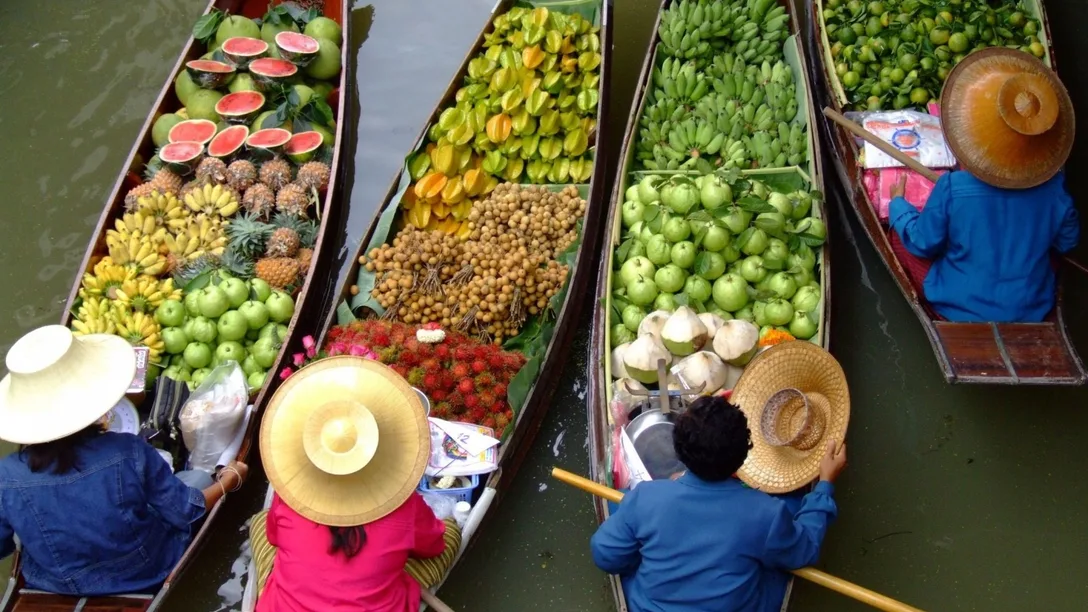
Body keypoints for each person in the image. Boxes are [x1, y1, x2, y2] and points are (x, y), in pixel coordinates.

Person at [592, 341, 849, 612]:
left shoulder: (646, 498)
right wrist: (824, 486)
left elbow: (605, 556)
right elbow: (805, 550)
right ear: (743, 457)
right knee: (792, 515)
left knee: (620, 507)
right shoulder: (765, 513)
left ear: (679, 452)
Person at [0, 325, 249, 596]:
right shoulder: (127, 451)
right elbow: (184, 511)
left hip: (53, 585)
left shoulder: (6, 474)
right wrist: (228, 481)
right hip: (144, 573)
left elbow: (3, 545)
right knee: (199, 478)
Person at [253, 355, 460, 612]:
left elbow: (273, 537)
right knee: (450, 531)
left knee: (260, 523)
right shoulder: (405, 507)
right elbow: (434, 546)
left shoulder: (289, 497)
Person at [887, 48, 1078, 323]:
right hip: (1031, 308)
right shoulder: (1057, 193)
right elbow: (1066, 243)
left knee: (899, 235)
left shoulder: (953, 187)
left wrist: (898, 205)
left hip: (957, 306)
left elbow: (923, 243)